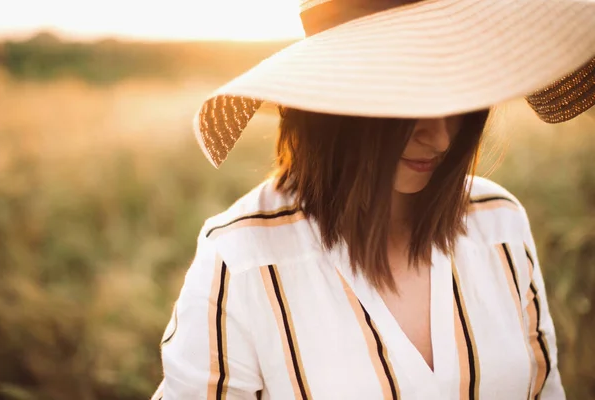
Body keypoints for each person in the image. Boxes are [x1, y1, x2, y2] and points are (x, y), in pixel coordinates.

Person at [152, 0, 595, 398]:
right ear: (334, 103)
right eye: (410, 98)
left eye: (458, 96)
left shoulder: (498, 222)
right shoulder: (243, 260)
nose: (441, 138)